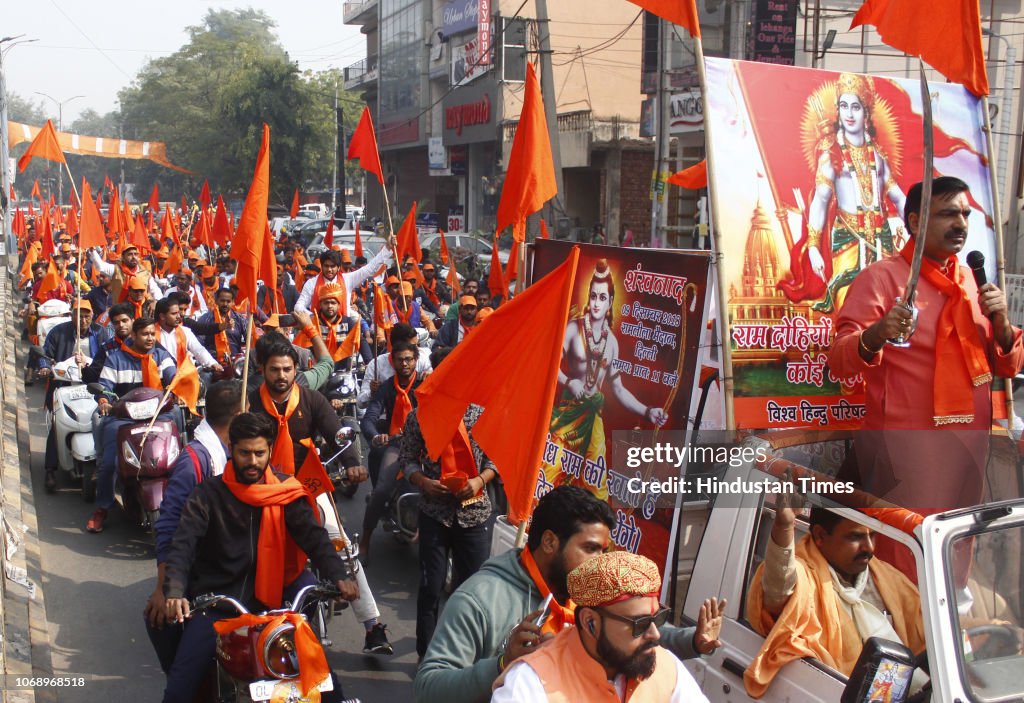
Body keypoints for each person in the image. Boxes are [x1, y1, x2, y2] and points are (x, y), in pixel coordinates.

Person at [416, 485, 724, 703]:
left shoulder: (589, 588)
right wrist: (502, 663)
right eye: (590, 549)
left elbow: (635, 630)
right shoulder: (479, 600)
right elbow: (428, 689)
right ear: (550, 542)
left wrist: (694, 641)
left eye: (605, 550)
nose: (601, 562)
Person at [828, 176, 1024, 513]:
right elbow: (839, 361)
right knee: (905, 548)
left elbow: (1007, 365)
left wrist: (1003, 324)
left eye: (965, 215)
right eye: (948, 214)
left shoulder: (971, 282)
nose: (960, 224)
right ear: (916, 222)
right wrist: (877, 333)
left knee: (956, 545)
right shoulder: (882, 279)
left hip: (971, 446)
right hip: (904, 448)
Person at [161, 413, 359, 703]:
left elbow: (315, 538)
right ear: (231, 448)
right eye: (244, 453)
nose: (252, 461)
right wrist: (175, 591)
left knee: (322, 679)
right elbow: (183, 545)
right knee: (180, 687)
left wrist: (339, 575)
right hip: (219, 602)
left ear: (269, 450)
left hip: (278, 603)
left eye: (259, 453)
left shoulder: (285, 490)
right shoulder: (207, 496)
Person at [744, 496, 925, 698]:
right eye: (855, 537)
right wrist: (784, 527)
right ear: (820, 535)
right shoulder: (806, 574)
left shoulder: (885, 577)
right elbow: (779, 588)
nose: (869, 548)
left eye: (872, 536)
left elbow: (926, 628)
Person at [491, 550, 709, 702]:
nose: (654, 634)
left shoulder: (665, 666)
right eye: (640, 623)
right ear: (590, 622)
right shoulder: (529, 684)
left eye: (657, 618)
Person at [780, 73, 907, 314]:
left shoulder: (878, 156)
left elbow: (898, 196)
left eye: (856, 107)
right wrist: (814, 247)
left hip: (881, 239)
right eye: (844, 106)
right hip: (847, 240)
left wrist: (918, 227)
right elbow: (820, 200)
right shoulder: (831, 155)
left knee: (890, 305)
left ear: (866, 113)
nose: (849, 114)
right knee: (848, 304)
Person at [542, 259, 668, 501]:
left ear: (610, 302)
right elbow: (550, 366)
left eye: (602, 297)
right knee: (548, 475)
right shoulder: (573, 329)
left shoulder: (611, 343)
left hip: (593, 416)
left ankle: (597, 537)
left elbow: (618, 389)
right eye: (593, 296)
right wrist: (570, 382)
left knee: (597, 486)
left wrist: (647, 411)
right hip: (566, 413)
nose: (596, 303)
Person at [144, 380, 242, 674]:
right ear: (239, 416)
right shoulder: (196, 461)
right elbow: (171, 526)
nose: (253, 459)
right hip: (207, 576)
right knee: (161, 623)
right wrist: (165, 587)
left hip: (247, 568)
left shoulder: (244, 453)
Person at [88, 317, 177, 533]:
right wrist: (103, 399)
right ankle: (102, 507)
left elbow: (173, 377)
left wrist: (176, 388)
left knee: (178, 433)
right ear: (134, 336)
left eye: (152, 334)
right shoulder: (115, 359)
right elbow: (105, 386)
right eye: (145, 334)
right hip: (123, 417)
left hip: (157, 416)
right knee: (109, 463)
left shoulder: (161, 355)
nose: (149, 338)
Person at [38, 300, 112, 492]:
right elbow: (45, 354)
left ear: (93, 316)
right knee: (57, 423)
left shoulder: (102, 333)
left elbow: (110, 355)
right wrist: (45, 367)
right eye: (79, 315)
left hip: (93, 385)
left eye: (87, 315)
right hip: (64, 384)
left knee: (105, 420)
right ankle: (50, 469)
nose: (84, 319)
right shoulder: (58, 332)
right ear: (72, 315)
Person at [359, 342, 424, 557]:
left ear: (416, 360)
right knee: (381, 490)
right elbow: (369, 418)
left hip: (427, 446)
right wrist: (377, 435)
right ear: (393, 362)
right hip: (398, 445)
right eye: (400, 359)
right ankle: (365, 541)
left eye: (409, 359)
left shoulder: (426, 384)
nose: (405, 363)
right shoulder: (385, 388)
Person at [294, 239, 394, 318]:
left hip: (344, 329)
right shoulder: (311, 283)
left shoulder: (348, 279)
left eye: (332, 266)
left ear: (338, 267)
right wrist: (313, 317)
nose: (329, 269)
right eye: (326, 266)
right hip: (318, 329)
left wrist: (387, 249)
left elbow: (369, 269)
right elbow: (298, 307)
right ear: (322, 266)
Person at [358, 322, 433, 406]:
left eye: (417, 345)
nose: (417, 349)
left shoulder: (423, 359)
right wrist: (373, 392)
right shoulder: (376, 364)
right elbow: (361, 402)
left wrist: (431, 380)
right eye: (412, 346)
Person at [154, 297, 223, 375]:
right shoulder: (151, 333)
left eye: (178, 313)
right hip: (158, 376)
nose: (178, 317)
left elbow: (198, 350)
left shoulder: (185, 331)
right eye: (173, 314)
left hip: (182, 376)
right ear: (162, 316)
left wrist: (213, 363)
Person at [90, 242, 163, 302]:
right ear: (123, 257)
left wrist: (156, 302)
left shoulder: (145, 273)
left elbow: (155, 290)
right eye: (130, 254)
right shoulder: (115, 269)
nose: (134, 257)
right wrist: (92, 250)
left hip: (141, 311)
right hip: (120, 312)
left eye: (136, 254)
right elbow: (100, 266)